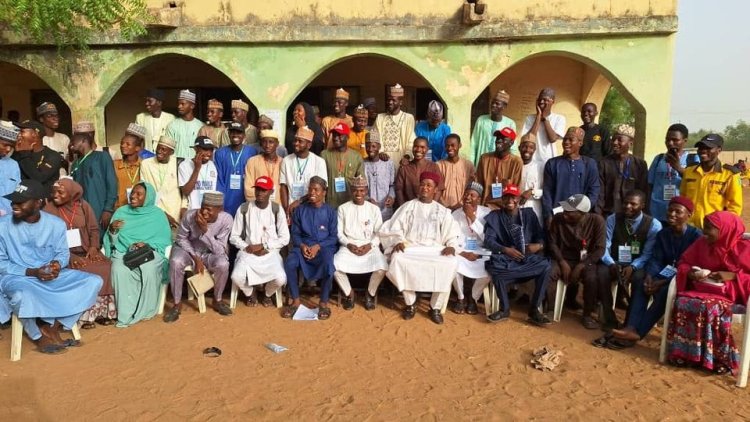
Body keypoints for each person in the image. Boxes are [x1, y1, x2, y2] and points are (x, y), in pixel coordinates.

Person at [0, 179, 101, 354]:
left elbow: (63, 254)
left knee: (93, 282)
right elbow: (2, 264)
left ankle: (52, 327)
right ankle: (38, 336)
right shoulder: (2, 226)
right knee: (20, 296)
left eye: (20, 201)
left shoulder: (55, 224)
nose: (14, 205)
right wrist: (32, 272)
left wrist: (56, 264)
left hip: (51, 275)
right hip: (18, 277)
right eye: (13, 200)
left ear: (38, 202)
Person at [606, 197, 702, 349]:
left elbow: (690, 267)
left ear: (689, 215)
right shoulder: (663, 234)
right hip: (661, 273)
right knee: (641, 283)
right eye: (670, 210)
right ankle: (630, 326)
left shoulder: (696, 237)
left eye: (678, 212)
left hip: (682, 277)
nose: (672, 214)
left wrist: (661, 282)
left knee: (665, 292)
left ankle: (639, 332)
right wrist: (650, 277)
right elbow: (656, 259)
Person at [666, 211, 750, 375]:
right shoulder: (702, 243)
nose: (704, 232)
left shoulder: (744, 248)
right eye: (704, 228)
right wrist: (690, 272)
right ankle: (687, 355)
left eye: (709, 229)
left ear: (724, 229)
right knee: (683, 301)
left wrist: (732, 276)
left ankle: (719, 359)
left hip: (732, 295)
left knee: (709, 306)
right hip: (704, 289)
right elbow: (684, 262)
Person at [379, 171, 459, 325]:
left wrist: (451, 246)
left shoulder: (442, 210)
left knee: (451, 263)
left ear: (435, 189)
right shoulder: (408, 207)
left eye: (429, 185)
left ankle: (435, 307)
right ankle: (410, 302)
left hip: (435, 250)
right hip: (411, 249)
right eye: (422, 184)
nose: (425, 188)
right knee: (397, 260)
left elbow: (452, 233)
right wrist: (398, 241)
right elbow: (394, 227)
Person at [44, 178, 114, 329]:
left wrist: (94, 247)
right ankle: (84, 317)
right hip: (63, 255)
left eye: (60, 192)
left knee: (106, 266)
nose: (55, 195)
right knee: (85, 269)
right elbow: (47, 241)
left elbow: (94, 229)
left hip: (86, 250)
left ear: (71, 194)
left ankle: (101, 313)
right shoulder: (48, 209)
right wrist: (68, 256)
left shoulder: (83, 205)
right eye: (54, 191)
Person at [104, 182, 171, 327]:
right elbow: (113, 240)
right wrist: (113, 230)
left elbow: (164, 241)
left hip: (150, 252)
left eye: (139, 194)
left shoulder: (157, 215)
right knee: (118, 269)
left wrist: (148, 245)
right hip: (124, 251)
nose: (133, 196)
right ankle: (125, 313)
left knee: (149, 268)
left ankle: (146, 310)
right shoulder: (121, 212)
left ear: (147, 198)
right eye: (133, 193)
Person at [483, 184, 551, 325]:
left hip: (526, 259)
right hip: (507, 260)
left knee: (546, 266)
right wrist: (505, 249)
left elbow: (540, 236)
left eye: (513, 197)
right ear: (502, 199)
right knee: (494, 267)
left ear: (519, 198)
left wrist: (538, 245)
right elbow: (489, 240)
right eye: (506, 197)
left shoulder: (528, 214)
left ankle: (534, 310)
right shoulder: (495, 216)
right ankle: (504, 309)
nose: (510, 200)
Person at [596, 190, 661, 329]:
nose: (628, 206)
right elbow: (604, 246)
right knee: (601, 273)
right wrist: (611, 263)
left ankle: (630, 323)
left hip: (638, 264)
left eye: (633, 204)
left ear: (642, 205)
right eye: (625, 203)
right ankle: (609, 318)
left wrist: (634, 266)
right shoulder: (613, 219)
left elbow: (648, 253)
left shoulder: (653, 224)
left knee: (640, 280)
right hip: (614, 261)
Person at [164, 192, 233, 322]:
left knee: (223, 264)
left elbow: (219, 250)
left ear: (219, 209)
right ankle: (177, 304)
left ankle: (217, 300)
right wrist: (196, 257)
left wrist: (205, 231)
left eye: (209, 209)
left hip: (209, 252)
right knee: (175, 261)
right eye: (203, 207)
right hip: (187, 250)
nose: (204, 212)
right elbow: (181, 239)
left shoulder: (226, 220)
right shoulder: (190, 216)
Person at [282, 176, 338, 320]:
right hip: (303, 246)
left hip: (323, 247)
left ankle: (324, 302)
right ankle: (295, 300)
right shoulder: (300, 210)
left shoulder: (331, 212)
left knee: (329, 265)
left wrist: (318, 247)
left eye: (316, 190)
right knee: (290, 263)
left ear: (324, 192)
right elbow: (295, 233)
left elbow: (333, 237)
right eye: (310, 189)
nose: (312, 192)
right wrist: (302, 245)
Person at [229, 176, 289, 307]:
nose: (260, 193)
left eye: (264, 190)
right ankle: (251, 293)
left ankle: (267, 294)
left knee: (280, 279)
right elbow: (234, 236)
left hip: (270, 253)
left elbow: (285, 238)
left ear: (271, 192)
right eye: (258, 189)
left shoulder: (277, 209)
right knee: (236, 277)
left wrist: (264, 246)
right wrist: (247, 247)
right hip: (248, 253)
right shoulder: (244, 208)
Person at [547, 194, 606, 325]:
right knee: (549, 272)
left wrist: (582, 265)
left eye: (570, 212)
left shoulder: (597, 221)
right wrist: (562, 261)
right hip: (562, 258)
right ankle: (550, 309)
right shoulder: (558, 219)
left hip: (586, 260)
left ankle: (587, 314)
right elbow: (552, 243)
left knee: (591, 277)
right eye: (564, 210)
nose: (565, 214)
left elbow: (600, 249)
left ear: (583, 213)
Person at [331, 176, 388, 310]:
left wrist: (370, 245)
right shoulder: (343, 208)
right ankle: (349, 294)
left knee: (382, 267)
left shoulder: (374, 209)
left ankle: (370, 293)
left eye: (362, 191)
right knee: (333, 267)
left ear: (366, 191)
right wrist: (348, 244)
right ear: (351, 191)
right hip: (348, 246)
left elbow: (379, 233)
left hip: (369, 246)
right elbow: (339, 233)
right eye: (356, 190)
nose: (359, 194)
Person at [680, 134, 743, 229]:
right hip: (689, 229)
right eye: (700, 147)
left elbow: (735, 207)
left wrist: (722, 228)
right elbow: (682, 199)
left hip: (713, 231)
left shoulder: (730, 174)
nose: (703, 150)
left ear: (719, 150)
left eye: (708, 148)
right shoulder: (689, 171)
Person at [541, 127, 600, 226]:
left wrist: (582, 211)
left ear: (580, 143)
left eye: (571, 139)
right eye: (565, 139)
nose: (566, 142)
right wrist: (548, 215)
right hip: (557, 217)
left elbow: (594, 190)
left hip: (581, 218)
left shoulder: (589, 164)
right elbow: (547, 192)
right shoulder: (552, 163)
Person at [450, 183, 491, 315]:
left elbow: (489, 239)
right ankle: (461, 297)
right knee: (451, 263)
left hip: (481, 249)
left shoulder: (487, 213)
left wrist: (473, 218)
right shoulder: (455, 214)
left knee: (491, 266)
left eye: (472, 195)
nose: (467, 197)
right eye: (466, 194)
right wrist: (464, 253)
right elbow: (451, 239)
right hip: (461, 251)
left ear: (478, 199)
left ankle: (473, 297)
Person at [69, 122, 117, 230]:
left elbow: (112, 184)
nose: (71, 144)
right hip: (81, 212)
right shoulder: (75, 164)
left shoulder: (102, 157)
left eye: (74, 141)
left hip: (100, 210)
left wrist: (108, 210)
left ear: (84, 140)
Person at [647, 124, 699, 222]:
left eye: (675, 140)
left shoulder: (692, 159)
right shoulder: (659, 159)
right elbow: (649, 185)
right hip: (657, 211)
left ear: (685, 141)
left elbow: (697, 182)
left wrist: (678, 168)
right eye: (668, 140)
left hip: (679, 213)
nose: (670, 143)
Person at [597, 124, 649, 216]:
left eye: (620, 140)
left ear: (630, 143)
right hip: (608, 213)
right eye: (613, 139)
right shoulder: (603, 163)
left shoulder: (640, 164)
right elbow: (600, 192)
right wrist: (599, 214)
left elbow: (643, 191)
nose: (615, 143)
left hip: (631, 213)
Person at [279, 127, 327, 218]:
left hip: (312, 209)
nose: (296, 144)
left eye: (300, 141)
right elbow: (283, 186)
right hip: (292, 209)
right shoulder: (286, 160)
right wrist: (286, 210)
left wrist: (299, 201)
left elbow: (322, 188)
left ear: (309, 145)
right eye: (295, 140)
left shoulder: (319, 162)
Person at [215, 122, 257, 217]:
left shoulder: (252, 152)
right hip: (226, 200)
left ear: (244, 135)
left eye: (239, 132)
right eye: (232, 132)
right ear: (228, 134)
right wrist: (219, 201)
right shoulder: (220, 153)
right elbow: (219, 180)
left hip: (245, 197)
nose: (235, 135)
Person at [476, 127, 523, 209]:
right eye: (498, 138)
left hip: (505, 208)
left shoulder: (516, 162)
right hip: (485, 206)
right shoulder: (485, 158)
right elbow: (478, 184)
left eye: (504, 138)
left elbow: (516, 188)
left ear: (511, 143)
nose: (499, 140)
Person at [140, 136, 181, 228]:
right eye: (158, 147)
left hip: (175, 211)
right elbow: (146, 191)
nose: (159, 151)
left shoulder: (178, 163)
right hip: (155, 211)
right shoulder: (146, 164)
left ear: (172, 152)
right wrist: (162, 213)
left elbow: (183, 191)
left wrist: (184, 207)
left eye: (163, 149)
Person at [321, 122, 365, 208]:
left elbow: (361, 182)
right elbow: (320, 182)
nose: (336, 138)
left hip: (350, 205)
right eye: (334, 135)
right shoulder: (324, 155)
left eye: (340, 135)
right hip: (329, 205)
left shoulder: (356, 157)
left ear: (347, 137)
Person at [12, 120, 62, 194]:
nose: (18, 135)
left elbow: (39, 178)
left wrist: (24, 153)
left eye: (22, 131)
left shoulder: (53, 156)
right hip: (19, 201)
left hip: (42, 202)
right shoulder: (17, 154)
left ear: (35, 135)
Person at [470, 89, 517, 166]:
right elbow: (474, 144)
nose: (493, 105)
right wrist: (471, 165)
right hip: (481, 164)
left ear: (504, 106)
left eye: (497, 104)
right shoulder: (481, 120)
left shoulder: (510, 123)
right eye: (492, 102)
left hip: (500, 166)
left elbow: (513, 149)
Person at [374, 84, 416, 167]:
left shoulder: (408, 118)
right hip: (383, 161)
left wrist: (407, 156)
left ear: (400, 102)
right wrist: (381, 152)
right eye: (389, 100)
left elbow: (411, 140)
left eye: (393, 100)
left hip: (402, 162)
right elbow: (376, 138)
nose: (390, 102)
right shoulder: (380, 117)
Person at [521, 88, 566, 164]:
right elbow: (529, 138)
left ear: (552, 102)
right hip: (532, 161)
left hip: (549, 160)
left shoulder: (559, 118)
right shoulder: (530, 118)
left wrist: (544, 118)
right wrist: (538, 117)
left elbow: (552, 139)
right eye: (539, 99)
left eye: (545, 100)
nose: (541, 102)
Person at [395, 137, 443, 207]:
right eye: (416, 146)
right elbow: (398, 190)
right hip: (409, 208)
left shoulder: (433, 166)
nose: (418, 150)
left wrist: (431, 207)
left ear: (427, 149)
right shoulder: (404, 168)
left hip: (428, 208)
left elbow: (439, 189)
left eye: (422, 147)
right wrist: (404, 208)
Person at [178, 136, 218, 211]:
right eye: (205, 149)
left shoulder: (212, 165)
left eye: (211, 150)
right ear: (196, 149)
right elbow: (186, 192)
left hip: (208, 212)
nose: (209, 153)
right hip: (192, 211)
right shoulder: (184, 165)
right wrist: (197, 169)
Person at [437, 133, 475, 210]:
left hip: (463, 207)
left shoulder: (468, 165)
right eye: (447, 145)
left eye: (453, 145)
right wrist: (445, 206)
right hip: (443, 208)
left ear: (459, 145)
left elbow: (471, 187)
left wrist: (461, 204)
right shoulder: (439, 165)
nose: (450, 148)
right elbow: (436, 188)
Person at [363, 131, 395, 221]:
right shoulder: (361, 164)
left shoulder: (388, 163)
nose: (370, 149)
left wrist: (391, 197)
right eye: (367, 146)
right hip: (367, 208)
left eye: (373, 146)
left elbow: (392, 184)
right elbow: (360, 187)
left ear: (379, 147)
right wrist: (368, 199)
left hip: (386, 208)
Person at [244, 129, 282, 204]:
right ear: (261, 143)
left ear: (277, 144)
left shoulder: (283, 162)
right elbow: (248, 188)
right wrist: (260, 204)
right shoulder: (252, 161)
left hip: (277, 207)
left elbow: (284, 189)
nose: (267, 145)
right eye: (264, 142)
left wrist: (279, 207)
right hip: (257, 206)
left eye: (271, 142)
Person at [113, 123, 145, 209]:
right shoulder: (114, 165)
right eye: (122, 143)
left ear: (137, 148)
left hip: (139, 210)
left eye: (127, 144)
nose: (123, 146)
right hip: (119, 209)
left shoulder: (144, 165)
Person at [165, 89, 204, 160]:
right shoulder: (172, 125)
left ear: (192, 106)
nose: (179, 106)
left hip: (195, 164)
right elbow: (168, 149)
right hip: (177, 164)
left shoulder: (201, 126)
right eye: (178, 104)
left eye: (182, 104)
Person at [36, 102, 70, 168]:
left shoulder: (64, 138)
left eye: (56, 115)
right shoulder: (37, 139)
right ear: (41, 119)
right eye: (50, 116)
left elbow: (69, 162)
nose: (55, 118)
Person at [519, 133, 544, 221]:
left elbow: (547, 191)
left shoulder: (540, 167)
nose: (527, 150)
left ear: (535, 150)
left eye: (531, 147)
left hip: (535, 208)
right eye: (524, 146)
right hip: (516, 208)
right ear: (519, 148)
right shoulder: (514, 165)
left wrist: (532, 192)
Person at [0, 121, 20, 217]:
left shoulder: (13, 165)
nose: (8, 149)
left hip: (9, 220)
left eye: (11, 146)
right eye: (5, 145)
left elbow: (17, 193)